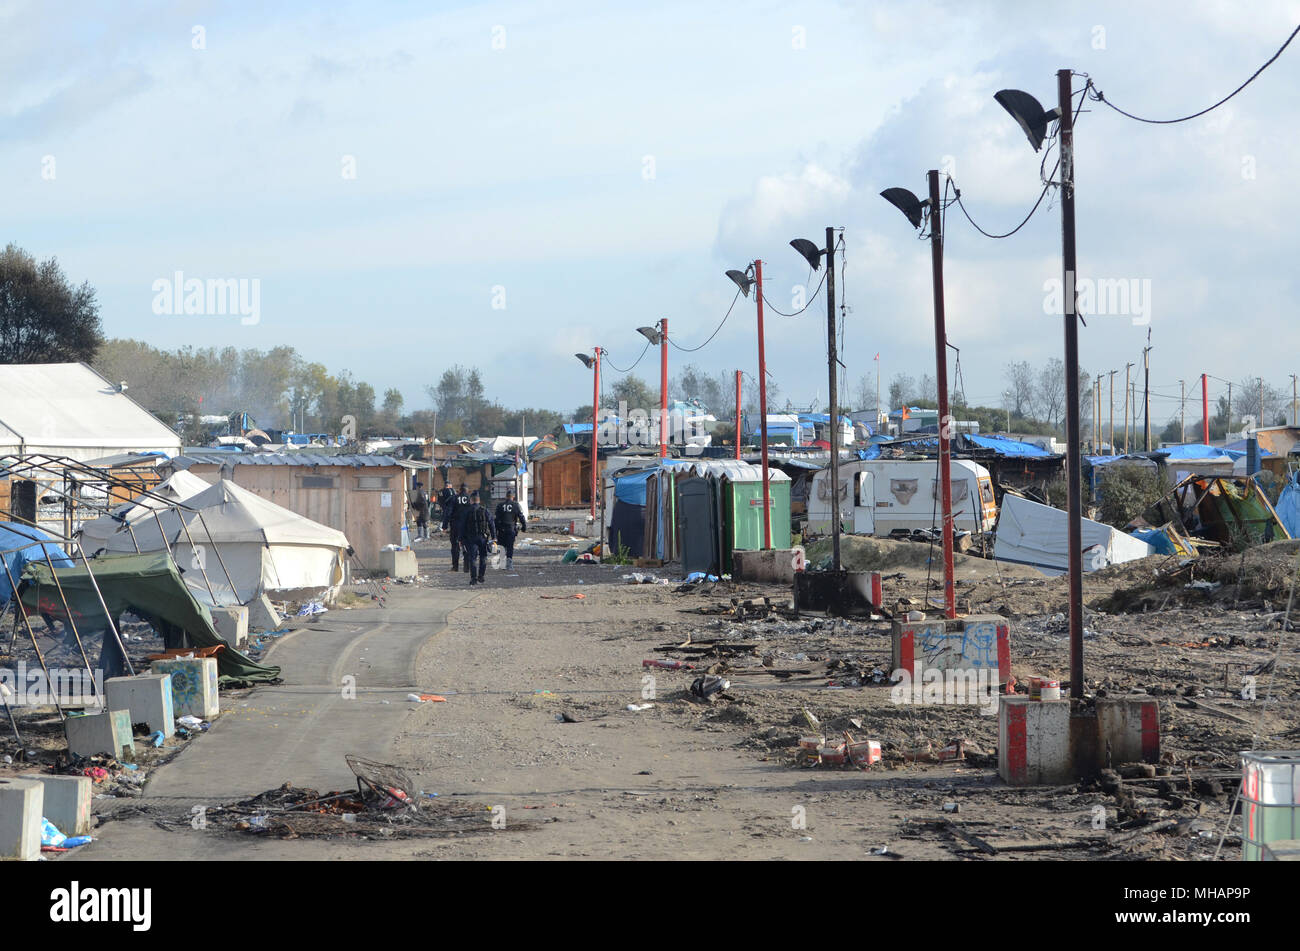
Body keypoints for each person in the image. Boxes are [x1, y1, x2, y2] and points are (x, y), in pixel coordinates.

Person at [464, 490, 493, 585]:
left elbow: (462, 526)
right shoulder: (485, 510)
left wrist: (460, 538)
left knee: (472, 558)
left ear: (471, 500)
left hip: (471, 538)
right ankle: (481, 576)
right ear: (479, 500)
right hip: (483, 537)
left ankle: (473, 578)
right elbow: (491, 524)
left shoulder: (467, 511)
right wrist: (494, 537)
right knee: (483, 557)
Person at [493, 489, 527, 569]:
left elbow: (496, 519)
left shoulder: (500, 505)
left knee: (501, 546)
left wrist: (496, 529)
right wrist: (524, 526)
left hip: (501, 529)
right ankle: (509, 563)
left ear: (506, 496)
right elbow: (521, 516)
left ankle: (502, 563)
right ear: (513, 496)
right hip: (511, 529)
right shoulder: (515, 505)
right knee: (510, 546)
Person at [448, 483, 472, 572]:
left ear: (460, 490)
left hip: (455, 525)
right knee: (467, 545)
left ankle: (455, 566)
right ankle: (466, 567)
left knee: (455, 546)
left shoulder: (454, 498)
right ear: (467, 490)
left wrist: (444, 525)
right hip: (467, 526)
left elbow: (448, 512)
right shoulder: (470, 499)